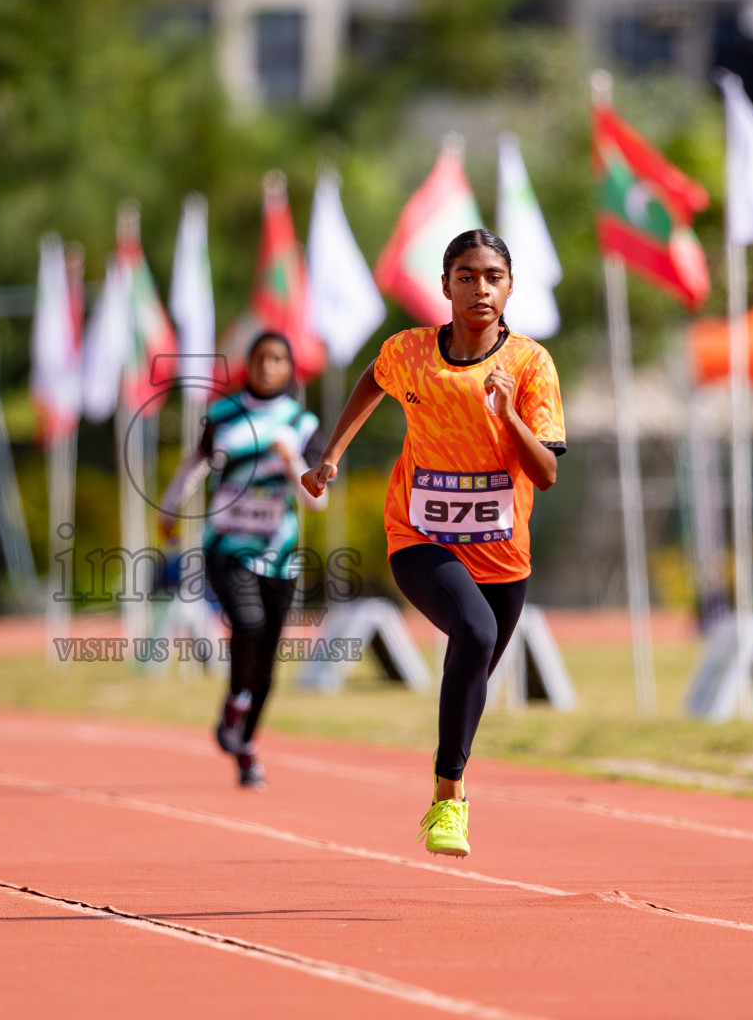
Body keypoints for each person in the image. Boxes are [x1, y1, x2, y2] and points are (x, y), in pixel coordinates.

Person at [302, 229, 564, 855]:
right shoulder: (411, 352)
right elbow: (374, 376)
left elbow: (547, 474)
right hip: (420, 535)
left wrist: (510, 417)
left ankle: (453, 787)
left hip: (503, 553)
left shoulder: (529, 364)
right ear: (444, 286)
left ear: (510, 287)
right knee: (472, 634)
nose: (480, 287)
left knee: (472, 668)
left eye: (493, 276)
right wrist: (331, 453)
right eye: (467, 275)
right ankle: (449, 801)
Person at [160, 332, 325, 789]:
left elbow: (317, 500)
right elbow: (196, 464)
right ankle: (235, 700)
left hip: (280, 552)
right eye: (260, 359)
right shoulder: (223, 414)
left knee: (268, 660)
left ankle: (247, 747)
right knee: (247, 623)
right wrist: (170, 507)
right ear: (248, 364)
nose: (268, 367)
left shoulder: (302, 423)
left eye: (278, 359)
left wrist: (292, 461)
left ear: (290, 367)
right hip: (228, 544)